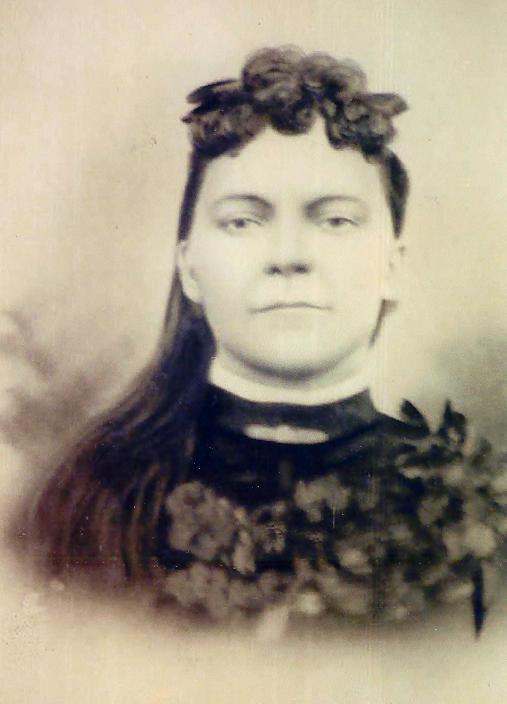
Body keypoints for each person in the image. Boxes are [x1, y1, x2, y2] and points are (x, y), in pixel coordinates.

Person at [19, 46, 506, 634]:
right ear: (190, 268)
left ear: (392, 267)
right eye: (243, 221)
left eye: (335, 220)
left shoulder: (469, 511)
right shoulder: (98, 501)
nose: (288, 256)